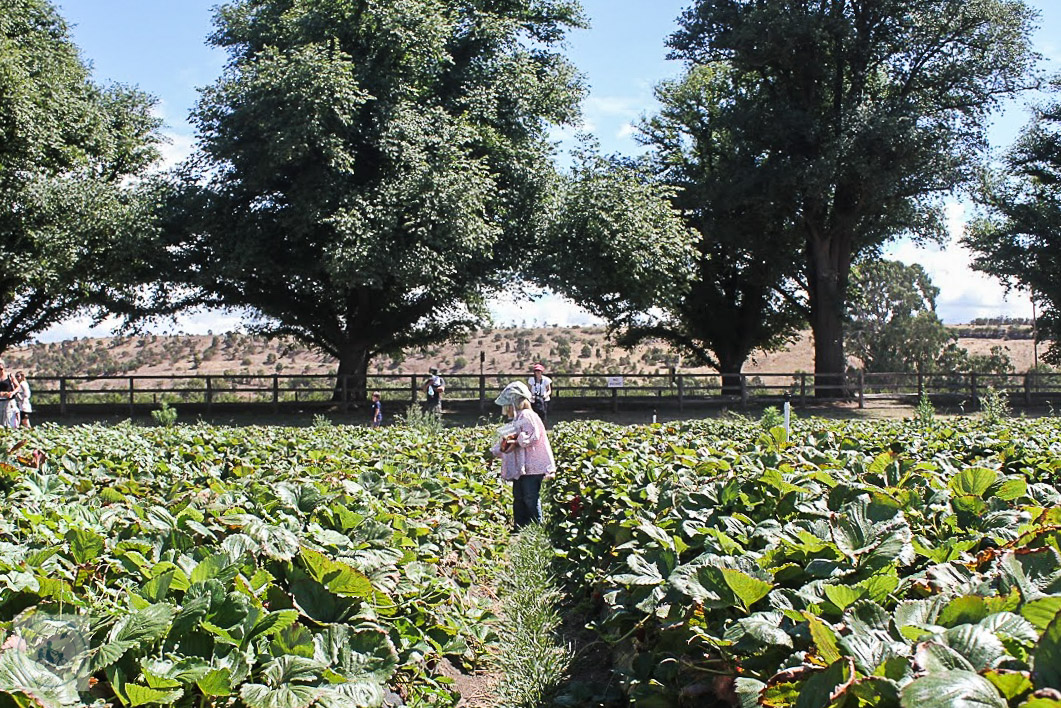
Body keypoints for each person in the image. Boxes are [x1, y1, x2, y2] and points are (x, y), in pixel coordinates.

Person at [489, 381, 556, 529]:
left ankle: (536, 526)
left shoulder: (527, 415)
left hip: (532, 465)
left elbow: (532, 436)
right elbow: (508, 440)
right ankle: (520, 526)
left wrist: (517, 440)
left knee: (530, 497)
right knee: (519, 497)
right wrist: (495, 451)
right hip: (522, 467)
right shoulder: (518, 418)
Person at [0, 363, 17, 429]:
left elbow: (17, 386)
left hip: (8, 401)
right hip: (0, 400)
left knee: (8, 419)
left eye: (1, 369)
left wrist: (12, 393)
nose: (0, 371)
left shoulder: (9, 376)